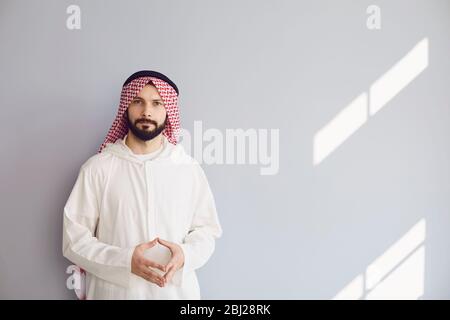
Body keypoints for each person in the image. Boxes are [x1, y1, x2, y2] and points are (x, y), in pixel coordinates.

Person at [62, 70, 223, 299]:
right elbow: (74, 239)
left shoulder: (187, 169)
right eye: (138, 101)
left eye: (157, 103)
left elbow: (207, 232)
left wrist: (185, 255)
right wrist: (125, 261)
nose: (147, 111)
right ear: (126, 107)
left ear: (168, 110)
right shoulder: (98, 168)